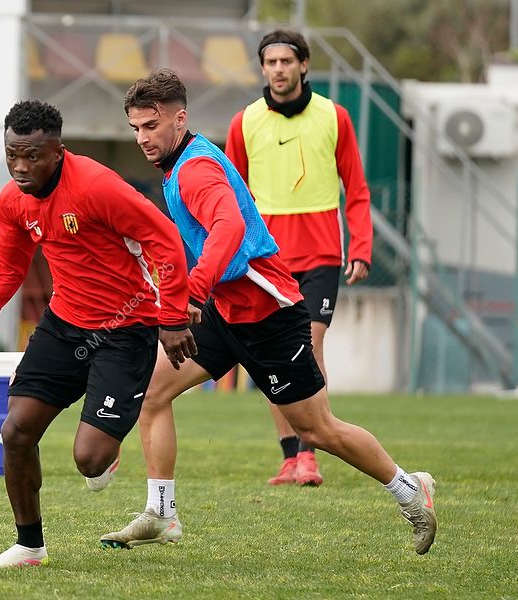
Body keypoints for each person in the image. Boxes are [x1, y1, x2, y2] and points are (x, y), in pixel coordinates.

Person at [99, 69, 436, 555]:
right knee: (152, 391)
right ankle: (162, 513)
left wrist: (193, 292)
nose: (142, 138)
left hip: (270, 315)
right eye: (135, 128)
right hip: (227, 311)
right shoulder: (178, 165)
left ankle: (409, 489)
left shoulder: (194, 169)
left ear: (180, 118)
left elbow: (230, 226)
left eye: (151, 126)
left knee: (316, 429)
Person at [0, 99, 197, 568]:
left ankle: (106, 441)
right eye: (12, 155)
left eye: (32, 156)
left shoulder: (95, 186)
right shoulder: (12, 200)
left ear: (58, 151)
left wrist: (172, 317)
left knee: (89, 459)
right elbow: (4, 269)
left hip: (125, 328)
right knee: (15, 432)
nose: (20, 167)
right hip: (64, 325)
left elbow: (165, 239)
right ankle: (30, 547)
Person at [225, 28, 374, 487]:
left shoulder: (334, 116)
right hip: (267, 259)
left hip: (322, 253)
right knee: (274, 353)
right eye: (271, 62)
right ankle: (290, 456)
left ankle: (311, 451)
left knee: (309, 344)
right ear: (263, 68)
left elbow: (357, 188)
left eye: (287, 61)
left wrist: (361, 247)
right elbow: (229, 197)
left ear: (304, 65)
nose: (279, 69)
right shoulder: (244, 122)